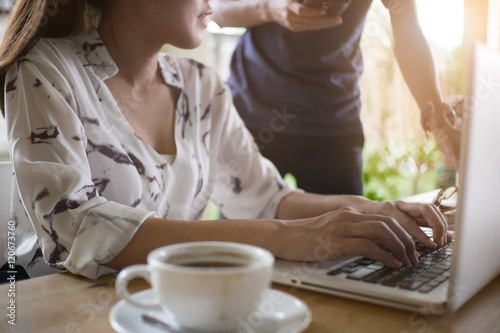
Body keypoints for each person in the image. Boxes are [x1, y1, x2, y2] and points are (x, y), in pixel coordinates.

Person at [0, 0, 450, 281]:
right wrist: (288, 238)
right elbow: (76, 226)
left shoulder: (201, 85)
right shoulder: (45, 72)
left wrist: (368, 210)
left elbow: (267, 198)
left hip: (179, 310)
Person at [211, 0, 462, 195]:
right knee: (240, 248)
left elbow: (408, 34)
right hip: (254, 116)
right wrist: (271, 8)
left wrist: (436, 112)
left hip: (334, 123)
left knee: (347, 246)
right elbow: (216, 9)